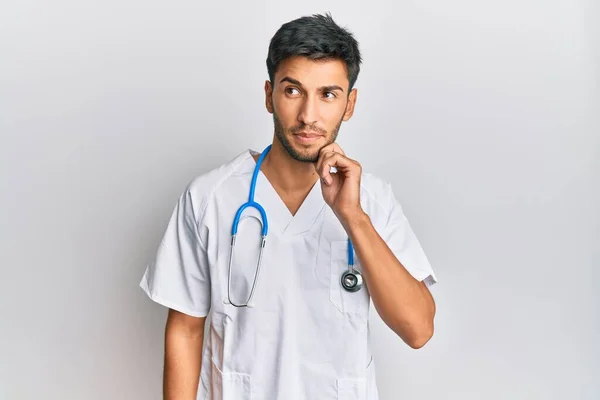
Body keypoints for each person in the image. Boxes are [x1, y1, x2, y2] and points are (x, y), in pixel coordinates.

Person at [140, 12, 437, 400]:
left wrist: (353, 217)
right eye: (293, 90)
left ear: (349, 104)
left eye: (328, 94)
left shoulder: (373, 202)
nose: (308, 116)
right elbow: (185, 329)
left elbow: (418, 330)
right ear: (269, 95)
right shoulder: (210, 198)